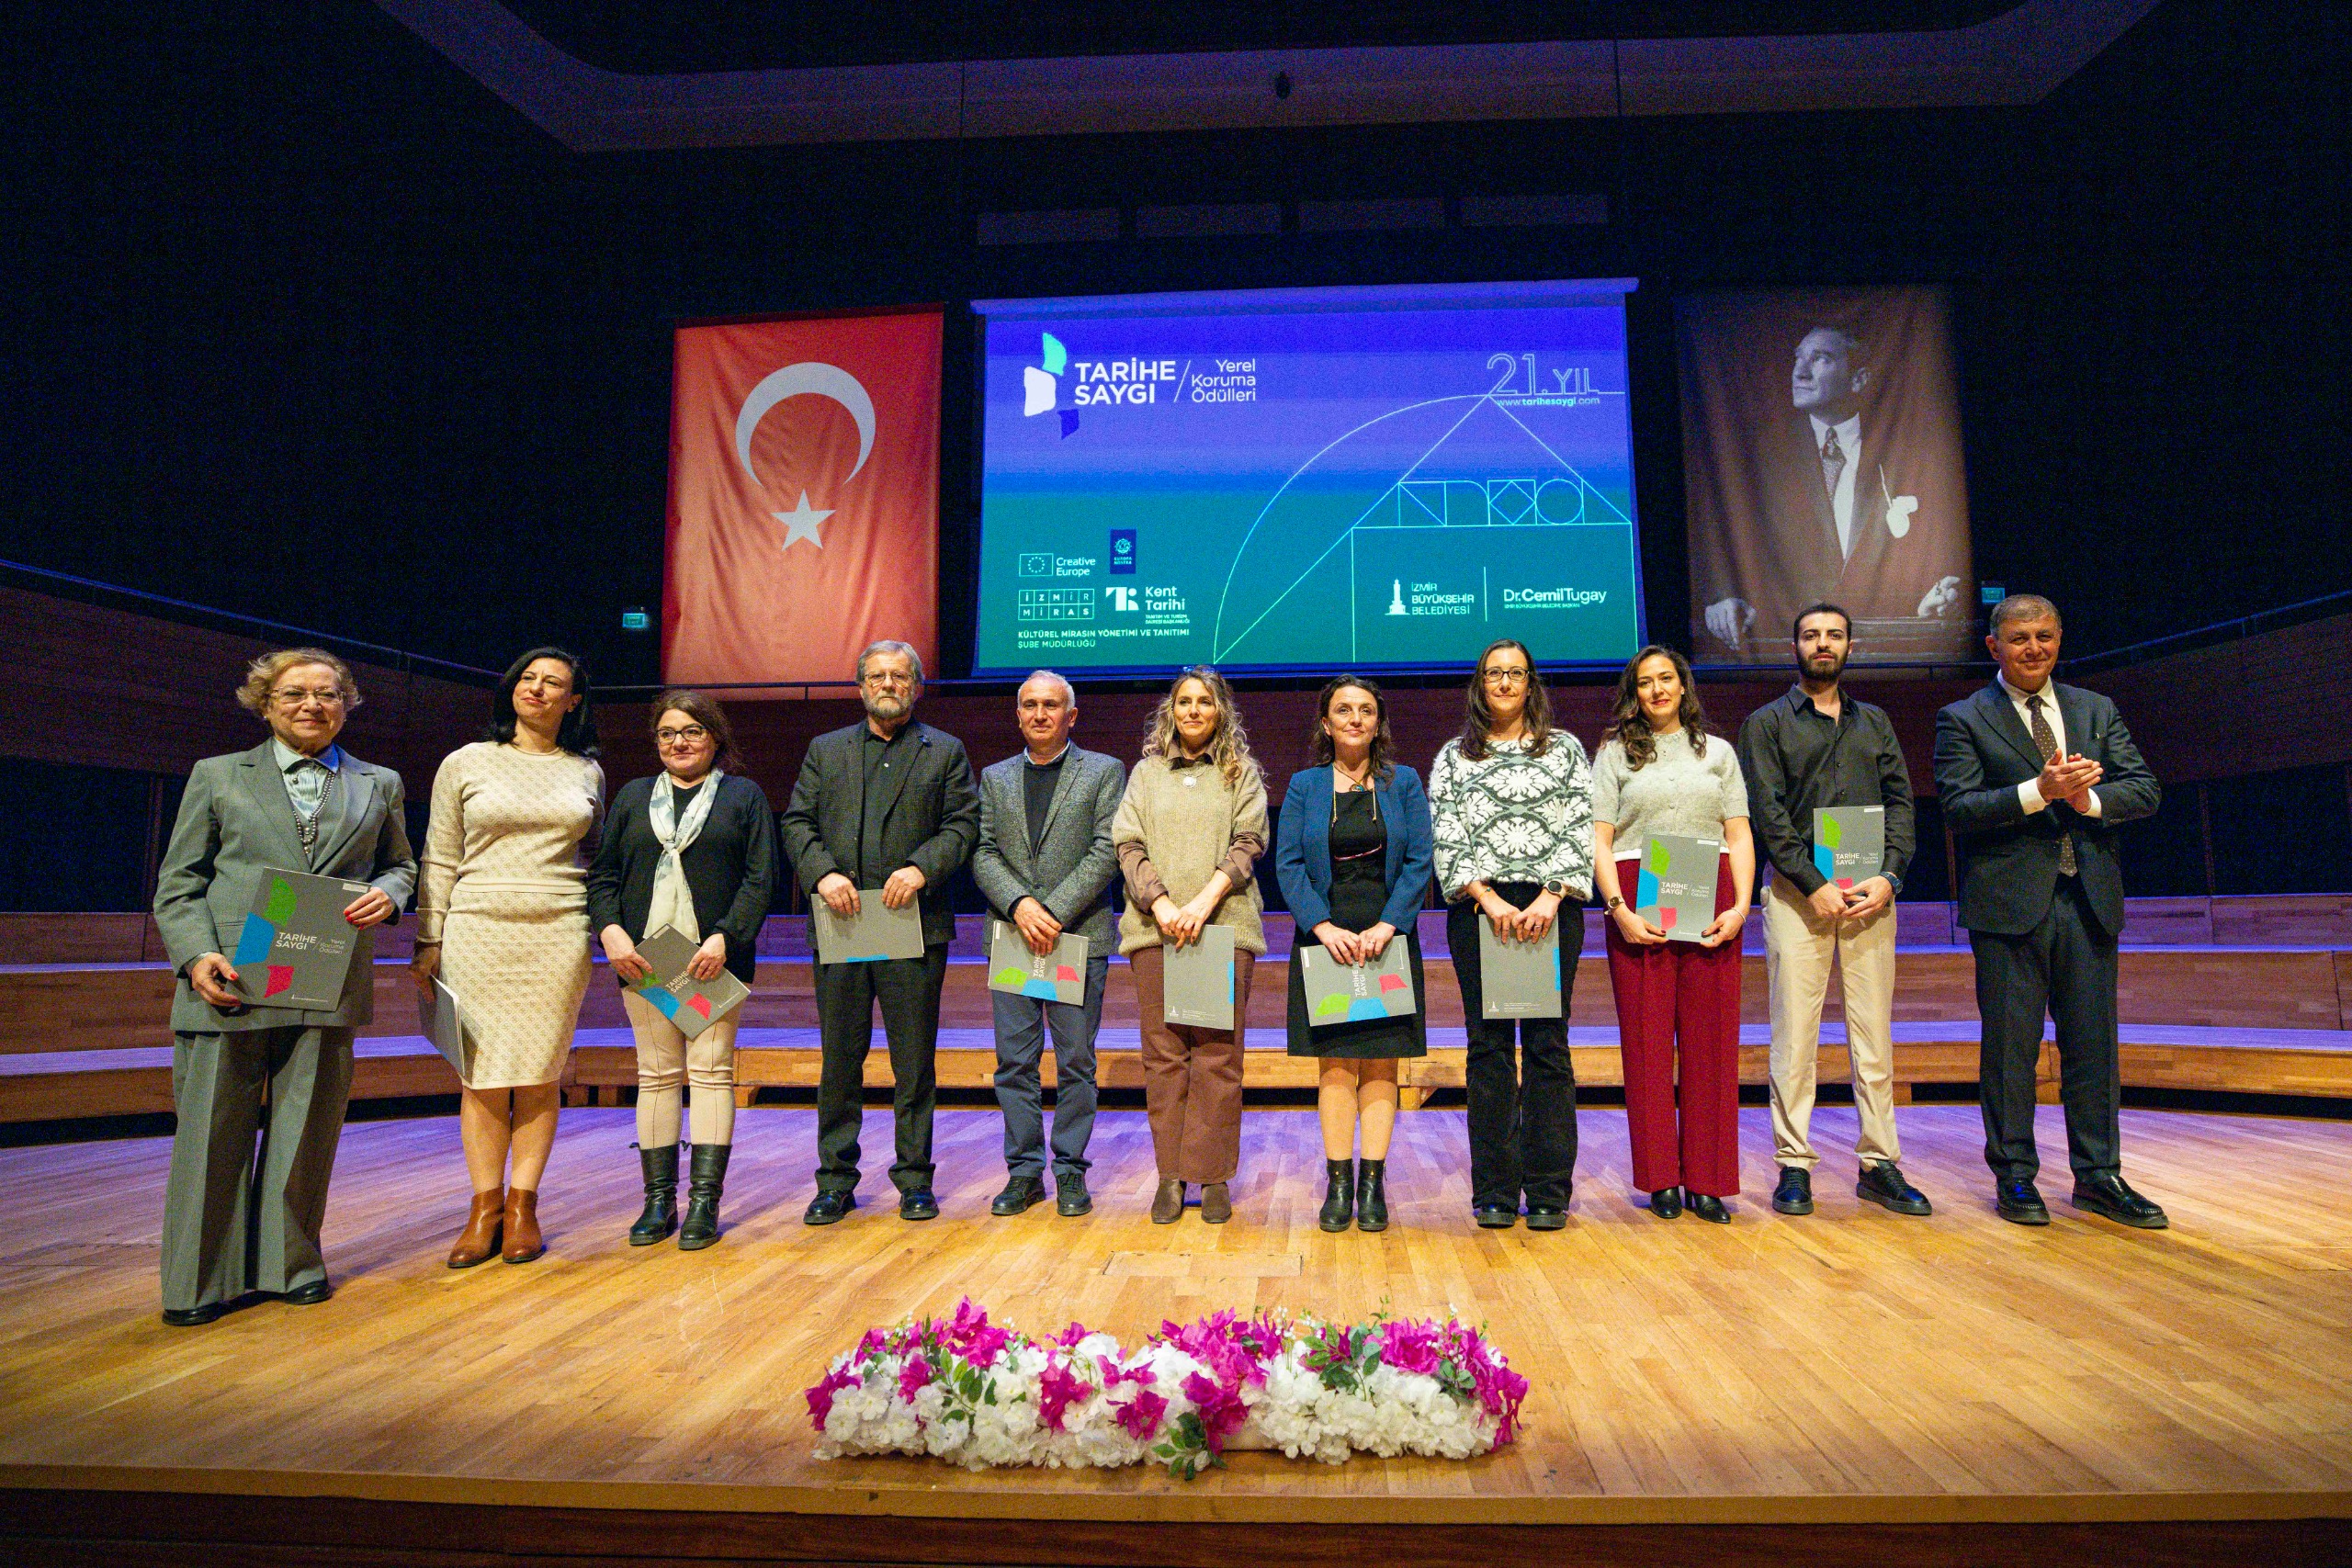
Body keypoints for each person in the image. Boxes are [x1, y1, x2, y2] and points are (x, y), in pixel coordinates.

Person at [150, 649, 417, 1326]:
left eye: (327, 694)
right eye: (294, 693)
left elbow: (401, 865)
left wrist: (390, 894)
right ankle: (198, 1282)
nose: (311, 705)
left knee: (307, 1131)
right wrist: (196, 956)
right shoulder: (217, 775)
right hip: (234, 975)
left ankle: (289, 1265)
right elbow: (179, 883)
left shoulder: (379, 782)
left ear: (346, 705)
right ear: (265, 703)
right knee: (211, 1135)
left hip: (326, 972)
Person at [1933, 594, 2165, 1228]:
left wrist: (2089, 800)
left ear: (2059, 638)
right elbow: (1959, 808)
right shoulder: (1963, 717)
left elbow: (2144, 788)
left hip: (2088, 901)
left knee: (2094, 1047)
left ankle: (2099, 1175)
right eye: (2019, 638)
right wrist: (2039, 791)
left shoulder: (2095, 708)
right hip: (2009, 908)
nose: (2034, 648)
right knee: (2012, 1051)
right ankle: (2014, 1175)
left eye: (2045, 636)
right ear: (1994, 646)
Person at [1737, 604, 1932, 1219]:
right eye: (1811, 635)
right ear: (1794, 646)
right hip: (1798, 898)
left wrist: (1890, 877)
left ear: (1850, 646)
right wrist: (1813, 882)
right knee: (1794, 1035)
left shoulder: (1875, 721)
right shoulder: (1766, 723)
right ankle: (1794, 1163)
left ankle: (1880, 1163)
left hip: (1870, 896)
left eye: (1834, 635)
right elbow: (1768, 814)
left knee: (1873, 1034)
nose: (1823, 644)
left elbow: (1901, 804)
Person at [412, 647, 605, 1268]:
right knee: (482, 1074)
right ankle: (484, 1207)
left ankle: (523, 1206)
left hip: (558, 929)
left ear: (573, 701)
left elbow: (597, 856)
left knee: (541, 1070)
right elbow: (440, 854)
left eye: (553, 682)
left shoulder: (587, 771)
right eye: (528, 677)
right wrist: (428, 937)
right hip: (478, 927)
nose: (537, 688)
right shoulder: (465, 762)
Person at [781, 639, 979, 1224]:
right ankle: (835, 1180)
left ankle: (914, 1179)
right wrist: (822, 874)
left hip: (910, 925)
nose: (888, 684)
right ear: (860, 686)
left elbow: (963, 824)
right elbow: (797, 822)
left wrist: (921, 868)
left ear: (917, 686)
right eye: (877, 676)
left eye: (899, 676)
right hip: (842, 923)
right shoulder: (826, 750)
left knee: (913, 1063)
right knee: (839, 1060)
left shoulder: (944, 750)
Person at [586, 691, 776, 1249]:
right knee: (657, 1075)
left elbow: (760, 878)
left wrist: (726, 937)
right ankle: (658, 1202)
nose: (679, 742)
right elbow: (605, 875)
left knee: (711, 1073)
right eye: (668, 733)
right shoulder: (632, 796)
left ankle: (704, 1204)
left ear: (715, 738)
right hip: (644, 958)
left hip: (713, 958)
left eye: (692, 731)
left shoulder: (743, 796)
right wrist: (610, 931)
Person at [1427, 638, 1593, 1231]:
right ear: (1480, 684)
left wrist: (1550, 896)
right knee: (1489, 1049)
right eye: (1493, 674)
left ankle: (1548, 1190)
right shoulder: (1453, 756)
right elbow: (1447, 832)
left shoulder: (1566, 749)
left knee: (1548, 1047)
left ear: (1530, 683)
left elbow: (1580, 824)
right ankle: (1495, 1190)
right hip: (1481, 910)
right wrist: (1490, 899)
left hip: (1551, 907)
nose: (1504, 683)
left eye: (1515, 673)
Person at [1590, 646, 1756, 1224]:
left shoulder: (1719, 753)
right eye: (1645, 682)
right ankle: (1661, 1177)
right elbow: (1600, 839)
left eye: (1666, 679)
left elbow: (1739, 834)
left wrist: (1740, 909)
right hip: (1639, 897)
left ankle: (1708, 1181)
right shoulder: (1614, 753)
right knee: (1647, 1044)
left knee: (1712, 1045)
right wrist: (1617, 909)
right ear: (1633, 694)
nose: (1657, 689)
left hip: (1712, 895)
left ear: (1684, 686)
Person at [1696, 324, 1970, 661]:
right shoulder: (1758, 458)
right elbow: (1721, 542)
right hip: (1786, 654)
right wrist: (1721, 598)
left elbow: (1923, 554)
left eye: (1820, 359)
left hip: (1887, 656)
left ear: (1858, 379)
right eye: (1798, 358)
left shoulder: (1907, 453)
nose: (1799, 372)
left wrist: (1925, 602)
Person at [1274, 676, 1434, 1234]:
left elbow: (1419, 859)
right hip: (1326, 939)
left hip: (1389, 936)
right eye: (1344, 710)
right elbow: (1288, 864)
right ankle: (1339, 1182)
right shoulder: (1304, 785)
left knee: (1384, 1061)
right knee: (1336, 1064)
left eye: (1366, 710)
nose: (1355, 718)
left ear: (1378, 722)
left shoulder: (1403, 781)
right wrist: (1320, 925)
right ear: (1326, 723)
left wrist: (1391, 923)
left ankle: (1373, 1183)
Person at [1112, 667, 1269, 1225]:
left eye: (1205, 701)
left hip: (1222, 928)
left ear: (1220, 710)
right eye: (1184, 702)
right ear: (1171, 711)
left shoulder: (1241, 772)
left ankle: (1214, 1174)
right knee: (1165, 1057)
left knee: (1218, 1057)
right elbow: (1127, 842)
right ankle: (1171, 1175)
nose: (1194, 710)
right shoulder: (1146, 773)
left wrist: (1202, 904)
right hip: (1155, 931)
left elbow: (1249, 841)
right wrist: (1160, 904)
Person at [969, 671, 1126, 1219]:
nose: (1040, 714)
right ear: (1018, 715)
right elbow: (982, 851)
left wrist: (1052, 911)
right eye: (1030, 705)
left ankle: (1070, 1170)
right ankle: (1024, 1173)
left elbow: (1108, 850)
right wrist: (1020, 905)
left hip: (1076, 935)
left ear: (1071, 716)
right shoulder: (994, 777)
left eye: (1051, 705)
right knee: (1014, 1063)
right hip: (1013, 935)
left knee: (1076, 1062)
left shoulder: (1104, 771)